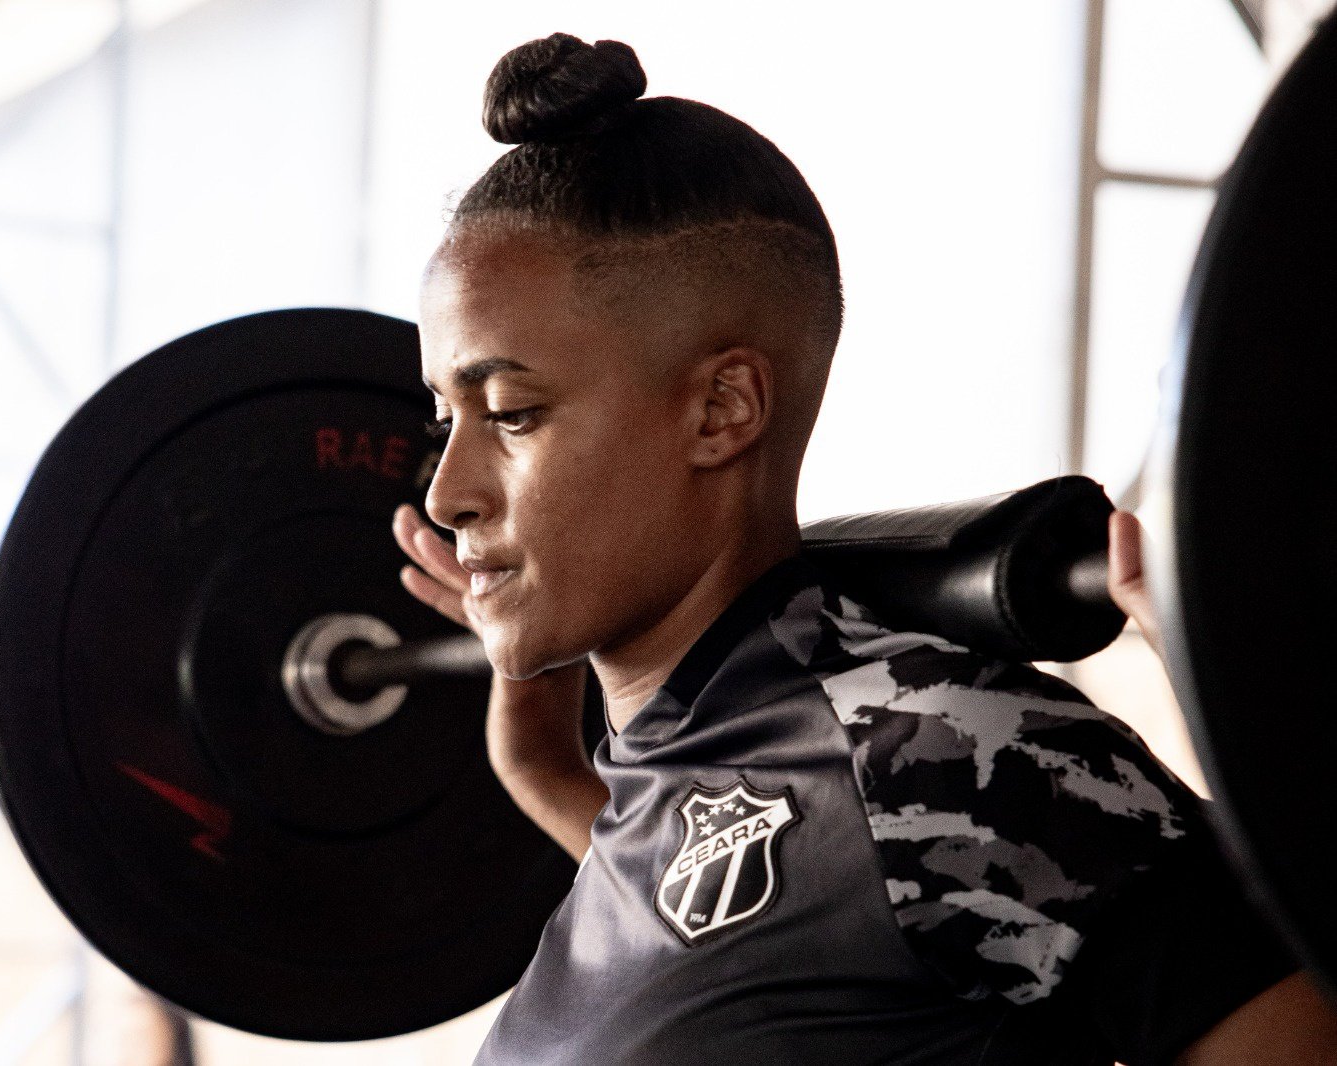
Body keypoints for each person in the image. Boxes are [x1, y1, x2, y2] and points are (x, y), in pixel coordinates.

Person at [390, 32, 1337, 1065]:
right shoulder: (672, 777)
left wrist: (1235, 702)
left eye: (513, 413)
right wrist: (530, 740)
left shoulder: (930, 747)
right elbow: (768, 939)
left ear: (722, 410)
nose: (447, 493)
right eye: (448, 420)